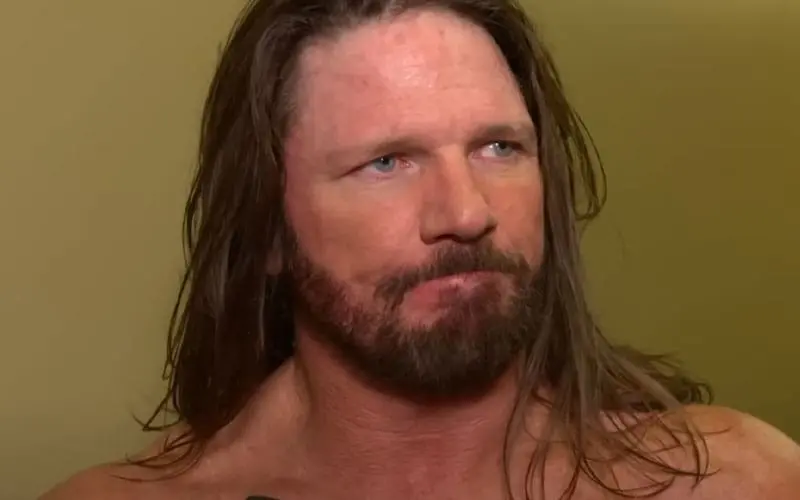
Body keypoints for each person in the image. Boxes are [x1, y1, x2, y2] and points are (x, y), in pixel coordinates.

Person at [42, 0, 800, 499]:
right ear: (268, 229)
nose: (467, 213)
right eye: (387, 162)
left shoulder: (733, 481)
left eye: (499, 148)